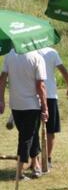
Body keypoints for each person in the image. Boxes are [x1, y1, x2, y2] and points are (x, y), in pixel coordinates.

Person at [0, 49, 48, 179]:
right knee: (26, 138)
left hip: (16, 105)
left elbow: (2, 79)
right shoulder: (37, 57)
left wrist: (1, 100)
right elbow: (41, 86)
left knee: (31, 135)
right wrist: (45, 107)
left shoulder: (9, 56)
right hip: (32, 105)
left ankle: (36, 165)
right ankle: (19, 172)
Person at [37, 47, 68, 169]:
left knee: (34, 130)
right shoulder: (52, 52)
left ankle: (36, 160)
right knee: (50, 130)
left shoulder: (27, 51)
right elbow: (64, 71)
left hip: (33, 95)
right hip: (50, 95)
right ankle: (46, 159)